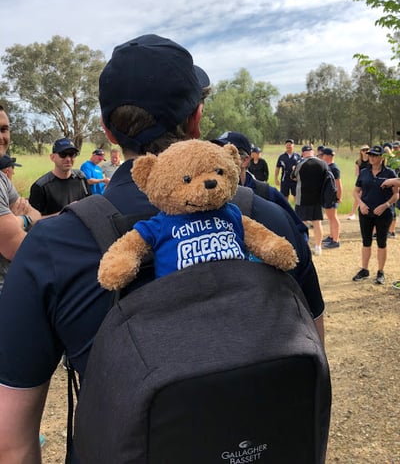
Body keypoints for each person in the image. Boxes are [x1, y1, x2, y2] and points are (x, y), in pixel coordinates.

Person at [0, 34, 324, 464]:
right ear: (197, 118)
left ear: (106, 128)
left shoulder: (54, 246)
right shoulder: (269, 217)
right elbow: (312, 351)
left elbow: (14, 442)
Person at [212, 131, 308, 240]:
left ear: (244, 160)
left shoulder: (266, 193)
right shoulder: (207, 197)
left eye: (225, 155)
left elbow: (299, 230)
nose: (217, 160)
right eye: (215, 153)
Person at [0, 105, 42, 293]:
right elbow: (16, 247)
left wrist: (18, 220)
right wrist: (23, 219)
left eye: (4, 129)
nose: (1, 137)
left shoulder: (2, 179)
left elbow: (37, 214)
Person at [352, 145, 398, 285]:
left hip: (383, 213)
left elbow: (396, 194)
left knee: (381, 243)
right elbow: (355, 191)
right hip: (366, 212)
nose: (371, 157)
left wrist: (385, 206)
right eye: (370, 155)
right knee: (366, 241)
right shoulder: (364, 172)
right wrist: (361, 204)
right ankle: (365, 269)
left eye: (375, 155)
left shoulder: (390, 173)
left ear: (381, 158)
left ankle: (380, 271)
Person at [28, 138, 91, 215]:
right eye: (63, 154)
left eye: (72, 154)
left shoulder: (81, 178)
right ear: (52, 157)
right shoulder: (41, 187)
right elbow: (33, 221)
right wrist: (65, 213)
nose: (68, 159)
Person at [293, 145, 328, 256]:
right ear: (312, 152)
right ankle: (318, 247)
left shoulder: (300, 163)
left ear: (303, 153)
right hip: (317, 198)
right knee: (317, 223)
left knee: (302, 222)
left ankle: (304, 246)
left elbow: (293, 177)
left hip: (302, 198)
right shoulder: (322, 163)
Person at [321, 147, 342, 249]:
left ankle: (336, 240)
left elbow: (338, 184)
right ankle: (331, 236)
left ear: (328, 156)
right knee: (330, 217)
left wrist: (339, 196)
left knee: (333, 217)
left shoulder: (334, 168)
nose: (322, 157)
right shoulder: (328, 167)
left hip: (332, 195)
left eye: (323, 155)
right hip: (327, 195)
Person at [347, 145, 370, 220]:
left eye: (367, 150)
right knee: (358, 195)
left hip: (370, 181)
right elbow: (357, 173)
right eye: (363, 150)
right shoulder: (358, 162)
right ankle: (353, 213)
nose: (365, 152)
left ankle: (354, 212)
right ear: (361, 152)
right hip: (361, 181)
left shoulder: (371, 161)